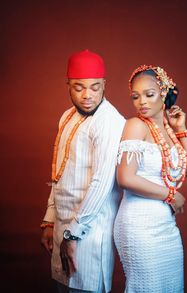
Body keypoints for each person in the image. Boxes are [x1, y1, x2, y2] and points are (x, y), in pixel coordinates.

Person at [40, 49, 125, 293]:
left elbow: (102, 183)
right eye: (79, 87)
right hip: (62, 229)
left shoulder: (109, 121)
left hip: (88, 234)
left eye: (95, 87)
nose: (87, 95)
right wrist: (49, 220)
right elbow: (59, 171)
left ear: (104, 85)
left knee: (83, 287)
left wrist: (73, 235)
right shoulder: (66, 116)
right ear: (67, 84)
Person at [114, 65, 187, 292]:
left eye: (149, 94)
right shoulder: (136, 126)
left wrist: (181, 129)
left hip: (166, 227)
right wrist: (170, 194)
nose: (141, 102)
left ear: (164, 93)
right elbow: (125, 177)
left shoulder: (170, 131)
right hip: (138, 226)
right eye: (135, 96)